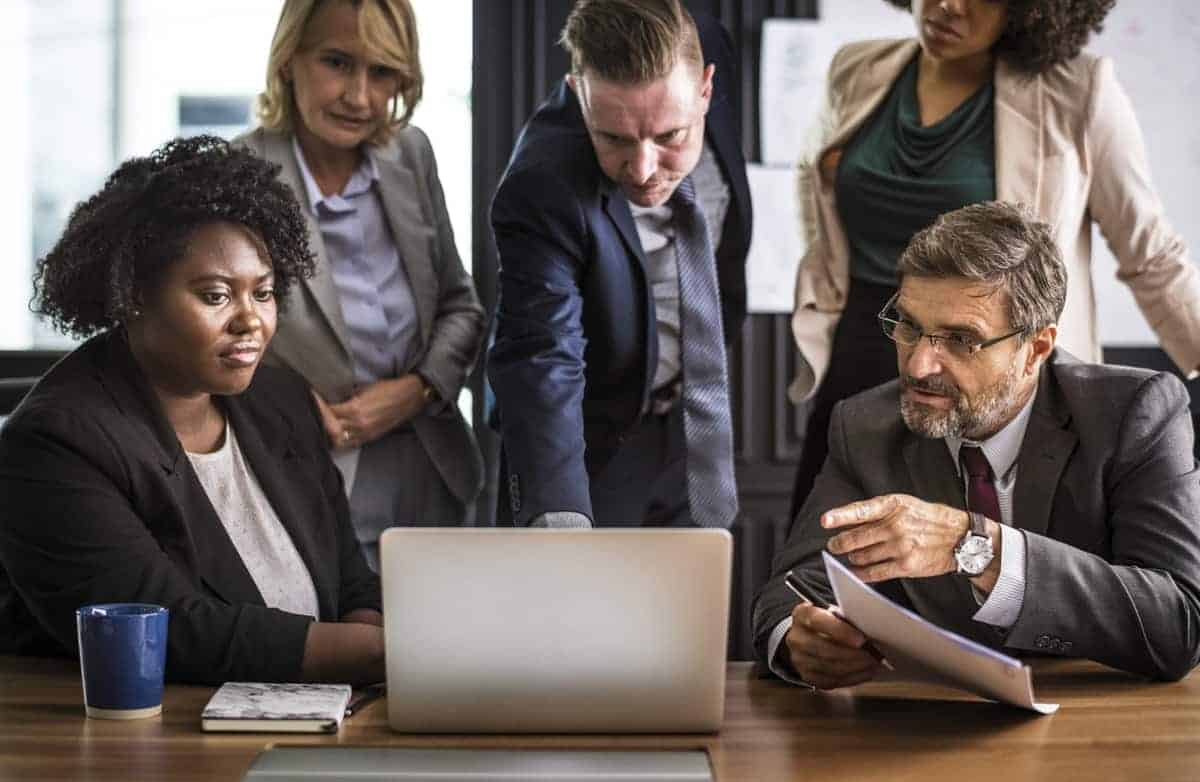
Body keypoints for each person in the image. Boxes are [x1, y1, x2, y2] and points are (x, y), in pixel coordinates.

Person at [787, 0, 1200, 525]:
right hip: (866, 351)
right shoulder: (857, 68)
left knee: (984, 567)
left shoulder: (1077, 91)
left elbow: (1152, 254)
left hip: (989, 367)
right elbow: (818, 198)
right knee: (831, 557)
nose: (948, 5)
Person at [754, 201, 1200, 686]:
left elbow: (1179, 624)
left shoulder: (1132, 413)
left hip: (1101, 724)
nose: (919, 366)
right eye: (908, 326)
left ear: (1036, 349)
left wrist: (980, 548)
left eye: (961, 340)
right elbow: (793, 588)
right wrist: (801, 641)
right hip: (931, 726)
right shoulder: (864, 424)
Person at [0, 137, 385, 686]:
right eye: (216, 296)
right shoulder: (56, 443)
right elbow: (173, 632)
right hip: (149, 741)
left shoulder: (282, 402)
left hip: (320, 716)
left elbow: (350, 577)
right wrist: (376, 656)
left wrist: (372, 653)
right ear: (134, 294)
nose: (251, 321)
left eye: (265, 292)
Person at [237, 0, 485, 568]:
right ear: (289, 59)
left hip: (436, 475)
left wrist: (417, 389)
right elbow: (215, 346)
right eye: (337, 62)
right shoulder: (241, 172)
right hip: (307, 479)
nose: (360, 96)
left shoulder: (410, 152)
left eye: (382, 72)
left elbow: (461, 306)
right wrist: (303, 407)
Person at [488, 0, 752, 528]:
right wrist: (557, 508)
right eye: (614, 139)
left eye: (671, 136)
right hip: (590, 444)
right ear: (578, 92)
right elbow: (541, 353)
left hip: (694, 425)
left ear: (705, 88)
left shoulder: (705, 44)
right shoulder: (542, 184)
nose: (643, 170)